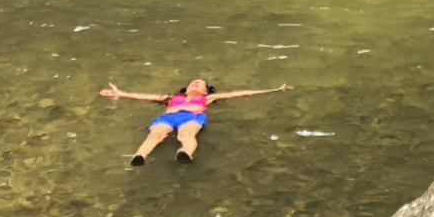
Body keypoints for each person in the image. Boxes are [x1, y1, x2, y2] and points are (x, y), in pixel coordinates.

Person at [99, 77, 293, 165]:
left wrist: (274, 90)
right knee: (156, 134)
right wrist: (120, 93)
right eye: (193, 81)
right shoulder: (170, 98)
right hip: (168, 116)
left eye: (200, 83)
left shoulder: (208, 99)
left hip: (192, 117)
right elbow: (142, 96)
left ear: (206, 91)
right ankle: (140, 156)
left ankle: (185, 153)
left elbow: (239, 93)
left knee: (186, 133)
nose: (195, 83)